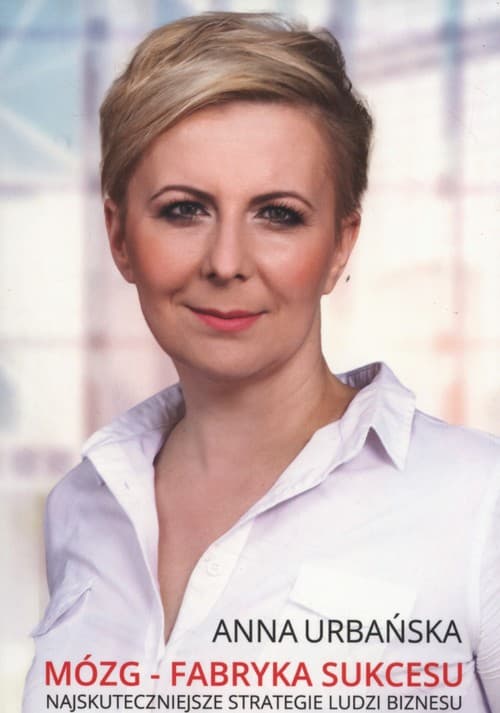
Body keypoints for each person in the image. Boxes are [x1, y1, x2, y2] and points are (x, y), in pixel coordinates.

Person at [23, 11, 499, 713]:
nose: (226, 262)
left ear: (340, 245)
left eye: (278, 214)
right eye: (184, 210)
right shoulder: (81, 508)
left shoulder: (480, 502)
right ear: (119, 237)